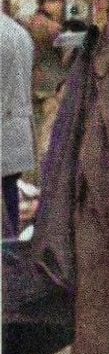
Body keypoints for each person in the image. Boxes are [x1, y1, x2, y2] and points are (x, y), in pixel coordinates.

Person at [24, 0, 67, 162]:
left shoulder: (29, 22)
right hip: (51, 87)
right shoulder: (52, 28)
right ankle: (45, 178)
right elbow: (65, 57)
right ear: (48, 2)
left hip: (32, 84)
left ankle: (32, 177)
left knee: (34, 132)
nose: (61, 7)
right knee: (47, 135)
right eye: (59, 3)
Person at [1, 13, 36, 238]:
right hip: (18, 123)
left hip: (5, 120)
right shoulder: (19, 32)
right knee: (10, 189)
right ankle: (12, 239)